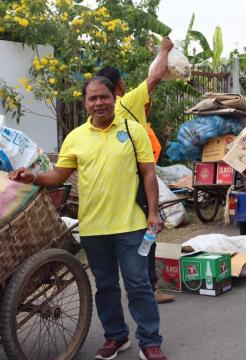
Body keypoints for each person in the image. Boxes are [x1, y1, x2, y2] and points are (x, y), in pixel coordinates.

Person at [9, 76, 168, 360]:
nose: (98, 103)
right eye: (92, 98)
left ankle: (149, 340)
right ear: (85, 103)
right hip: (94, 226)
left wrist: (153, 212)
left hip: (131, 224)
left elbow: (148, 173)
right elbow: (59, 175)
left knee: (138, 283)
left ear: (114, 98)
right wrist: (32, 175)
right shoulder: (76, 137)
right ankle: (116, 337)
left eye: (103, 97)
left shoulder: (133, 130)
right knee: (105, 286)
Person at [97, 37, 175, 304]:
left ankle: (138, 282)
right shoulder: (125, 101)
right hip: (140, 178)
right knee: (150, 227)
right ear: (118, 84)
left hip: (119, 181)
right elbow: (156, 76)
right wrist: (165, 50)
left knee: (134, 231)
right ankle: (146, 286)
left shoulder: (107, 112)